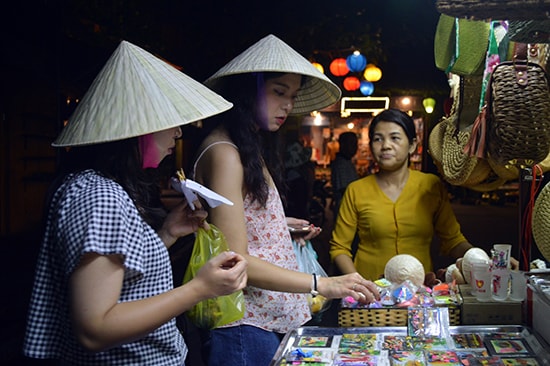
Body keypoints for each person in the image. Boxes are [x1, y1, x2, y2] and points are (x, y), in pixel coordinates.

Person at [22, 40, 248, 366]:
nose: (179, 132)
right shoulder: (100, 196)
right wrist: (199, 289)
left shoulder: (92, 185)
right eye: (170, 120)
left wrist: (168, 232)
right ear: (138, 127)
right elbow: (95, 328)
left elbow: (119, 282)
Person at [191, 34, 380, 366]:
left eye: (292, 96)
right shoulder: (224, 152)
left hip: (264, 320)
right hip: (243, 326)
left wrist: (279, 226)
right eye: (279, 92)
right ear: (248, 90)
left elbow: (240, 223)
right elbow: (236, 261)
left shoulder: (247, 146)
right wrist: (325, 283)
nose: (288, 105)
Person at [330, 108, 477, 282]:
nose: (385, 145)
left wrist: (482, 262)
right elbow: (339, 247)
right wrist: (357, 283)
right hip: (370, 293)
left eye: (395, 138)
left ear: (412, 145)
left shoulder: (430, 186)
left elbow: (453, 240)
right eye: (378, 139)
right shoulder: (356, 190)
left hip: (418, 293)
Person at [330, 131, 359, 217]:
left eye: (355, 144)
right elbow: (344, 190)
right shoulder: (341, 164)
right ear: (342, 145)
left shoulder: (347, 162)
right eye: (352, 144)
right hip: (346, 211)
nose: (355, 148)